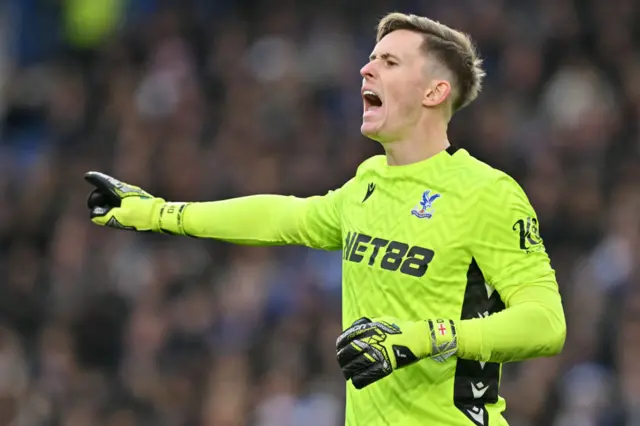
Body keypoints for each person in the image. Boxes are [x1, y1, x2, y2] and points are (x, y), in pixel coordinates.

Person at [84, 12, 566, 426]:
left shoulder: (487, 193)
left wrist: (426, 337)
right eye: (371, 58)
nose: (366, 69)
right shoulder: (368, 183)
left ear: (434, 92)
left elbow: (546, 324)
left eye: (388, 62)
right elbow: (286, 216)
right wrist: (158, 213)